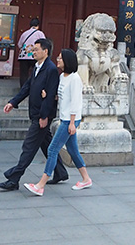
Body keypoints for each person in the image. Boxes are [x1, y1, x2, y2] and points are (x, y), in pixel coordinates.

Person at [0, 38, 68, 191]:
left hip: (41, 115)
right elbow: (27, 87)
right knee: (47, 145)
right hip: (35, 112)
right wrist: (13, 102)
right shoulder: (36, 67)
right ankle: (60, 172)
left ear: (45, 51)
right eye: (33, 50)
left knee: (28, 147)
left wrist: (44, 116)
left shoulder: (51, 69)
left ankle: (14, 179)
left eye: (36, 50)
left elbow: (50, 96)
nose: (33, 52)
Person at [24, 49, 93, 195]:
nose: (57, 60)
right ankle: (86, 179)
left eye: (60, 58)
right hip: (65, 118)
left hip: (70, 120)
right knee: (73, 151)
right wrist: (48, 95)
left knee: (52, 149)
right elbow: (61, 96)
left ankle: (40, 185)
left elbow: (75, 103)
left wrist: (72, 123)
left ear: (67, 61)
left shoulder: (75, 79)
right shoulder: (62, 76)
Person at [16, 18, 45, 87]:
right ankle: (34, 87)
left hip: (23, 56)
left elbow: (19, 44)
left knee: (23, 74)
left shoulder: (24, 33)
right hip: (34, 55)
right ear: (38, 25)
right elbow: (44, 44)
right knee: (36, 72)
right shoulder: (40, 33)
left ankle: (23, 88)